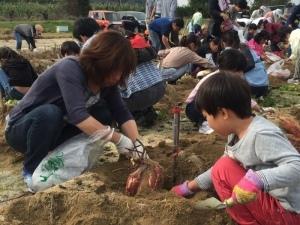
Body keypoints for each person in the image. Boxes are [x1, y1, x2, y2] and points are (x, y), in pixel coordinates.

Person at [5, 31, 149, 189]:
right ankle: (30, 169)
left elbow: (122, 113)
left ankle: (58, 156)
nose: (117, 77)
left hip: (56, 130)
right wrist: (119, 139)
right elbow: (77, 115)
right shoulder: (70, 68)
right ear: (102, 61)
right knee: (50, 113)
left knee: (104, 115)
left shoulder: (107, 82)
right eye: (116, 70)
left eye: (122, 72)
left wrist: (137, 145)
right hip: (22, 130)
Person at [172, 72, 300, 225]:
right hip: (274, 206)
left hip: (287, 213)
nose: (207, 122)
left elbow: (296, 166)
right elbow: (218, 170)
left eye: (207, 117)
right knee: (223, 166)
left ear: (223, 113)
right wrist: (189, 187)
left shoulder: (260, 134)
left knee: (223, 168)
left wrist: (259, 180)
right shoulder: (236, 133)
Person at [185, 49, 261, 134]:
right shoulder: (216, 80)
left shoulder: (229, 79)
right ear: (227, 70)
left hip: (211, 105)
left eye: (242, 71)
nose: (241, 74)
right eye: (238, 71)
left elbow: (240, 94)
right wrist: (252, 105)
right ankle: (205, 124)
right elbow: (235, 94)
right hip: (195, 107)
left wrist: (254, 105)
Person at [120, 27, 165, 127]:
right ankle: (147, 112)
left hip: (141, 95)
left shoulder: (121, 54)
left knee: (111, 97)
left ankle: (136, 116)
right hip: (160, 88)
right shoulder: (143, 49)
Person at [223, 30, 269, 98]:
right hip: (264, 86)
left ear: (224, 42)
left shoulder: (230, 52)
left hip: (251, 87)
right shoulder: (245, 47)